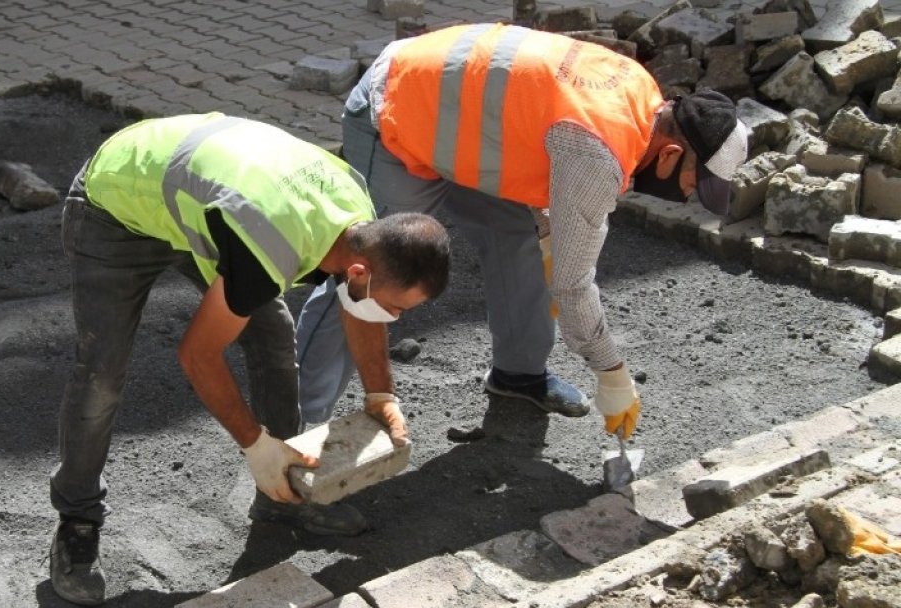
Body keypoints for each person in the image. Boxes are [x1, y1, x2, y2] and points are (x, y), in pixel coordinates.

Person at [48, 113, 451, 606]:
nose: (393, 317)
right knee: (102, 373)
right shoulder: (269, 241)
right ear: (362, 269)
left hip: (205, 205)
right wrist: (255, 445)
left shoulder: (358, 217)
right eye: (397, 305)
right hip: (115, 204)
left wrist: (380, 393)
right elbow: (197, 354)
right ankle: (78, 517)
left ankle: (281, 495)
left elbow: (359, 303)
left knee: (273, 339)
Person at [296, 23, 748, 442]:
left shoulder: (643, 97)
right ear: (668, 155)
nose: (688, 194)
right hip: (396, 111)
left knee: (518, 236)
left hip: (455, 118)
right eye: (695, 183)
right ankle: (300, 424)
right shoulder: (599, 150)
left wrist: (553, 229)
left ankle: (519, 373)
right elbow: (572, 287)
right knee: (367, 277)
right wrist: (611, 372)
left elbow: (534, 126)